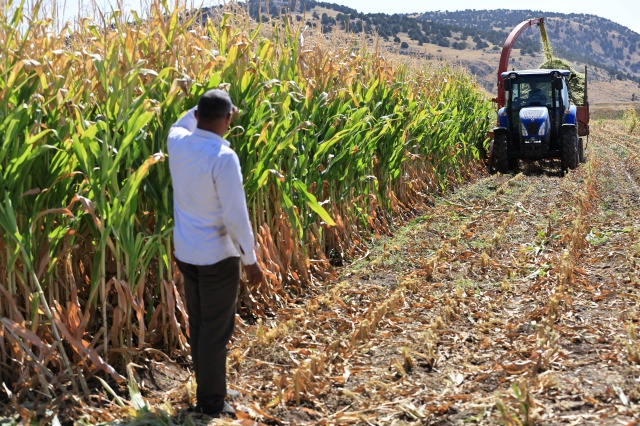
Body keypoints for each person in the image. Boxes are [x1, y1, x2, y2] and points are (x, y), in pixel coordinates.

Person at [167, 89, 264, 418]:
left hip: (186, 253)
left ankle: (212, 387)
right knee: (215, 332)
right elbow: (235, 216)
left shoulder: (177, 142)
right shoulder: (223, 158)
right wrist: (250, 260)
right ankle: (211, 403)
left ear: (200, 114)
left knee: (200, 326)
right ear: (227, 119)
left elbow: (182, 121)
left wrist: (205, 106)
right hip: (217, 259)